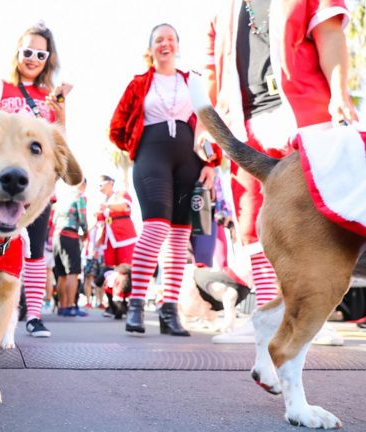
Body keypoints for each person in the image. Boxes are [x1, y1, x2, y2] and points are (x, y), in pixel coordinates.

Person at [203, 0, 355, 345]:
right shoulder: (221, 10)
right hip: (244, 124)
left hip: (304, 111)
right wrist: (204, 127)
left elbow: (330, 33)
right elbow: (211, 70)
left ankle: (312, 314)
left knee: (319, 218)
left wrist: (339, 92)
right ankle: (270, 319)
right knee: (251, 224)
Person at [110, 23, 220, 337]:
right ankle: (135, 303)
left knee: (179, 237)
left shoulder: (192, 82)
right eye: (159, 39)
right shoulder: (139, 83)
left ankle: (169, 310)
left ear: (178, 45)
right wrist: (138, 145)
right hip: (151, 157)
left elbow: (209, 123)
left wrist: (211, 162)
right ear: (151, 47)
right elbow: (116, 129)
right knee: (156, 227)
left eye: (171, 38)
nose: (165, 43)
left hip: (190, 161)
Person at [0, 22, 70, 338]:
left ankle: (33, 315)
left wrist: (61, 113)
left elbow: (59, 144)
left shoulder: (50, 96)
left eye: (40, 54)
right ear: (17, 52)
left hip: (36, 189)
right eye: (27, 51)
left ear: (49, 59)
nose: (33, 58)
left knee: (34, 252)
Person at [94, 175, 137, 318]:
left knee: (126, 271)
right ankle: (113, 306)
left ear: (111, 182)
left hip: (125, 237)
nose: (99, 187)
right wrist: (96, 245)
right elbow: (100, 223)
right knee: (109, 272)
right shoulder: (102, 202)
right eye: (98, 185)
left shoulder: (121, 194)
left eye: (102, 184)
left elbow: (125, 206)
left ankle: (129, 305)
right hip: (109, 240)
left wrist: (108, 206)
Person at [52, 179, 89, 317]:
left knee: (61, 273)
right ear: (83, 185)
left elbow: (55, 220)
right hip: (69, 235)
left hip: (57, 235)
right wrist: (85, 232)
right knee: (73, 271)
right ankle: (70, 306)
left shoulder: (62, 199)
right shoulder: (80, 197)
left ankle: (62, 306)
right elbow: (83, 218)